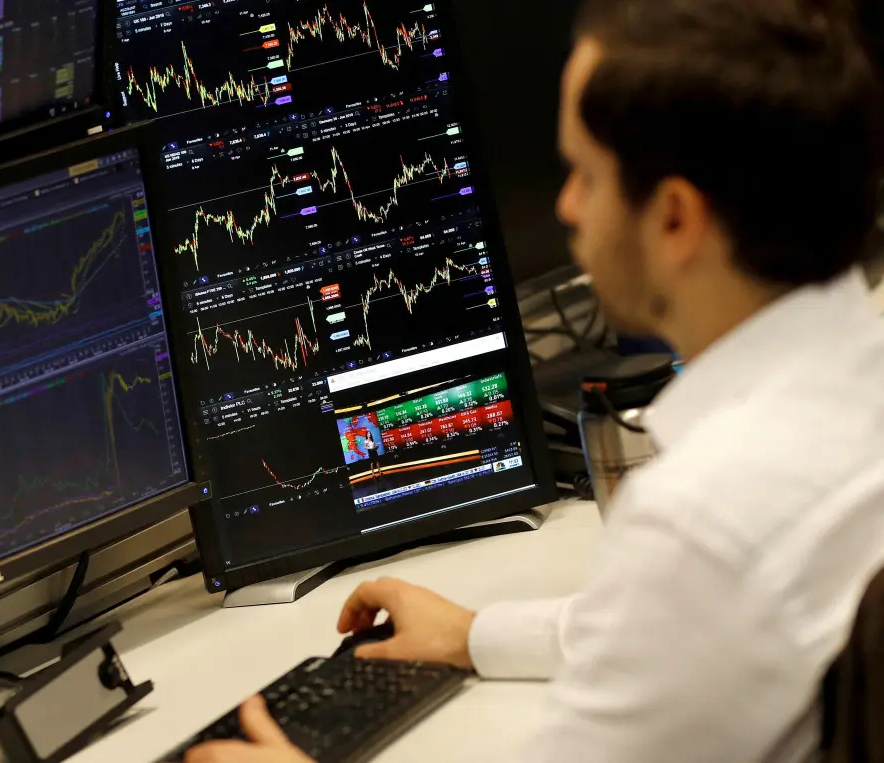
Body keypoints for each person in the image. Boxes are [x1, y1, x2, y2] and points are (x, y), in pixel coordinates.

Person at [184, 0, 884, 761]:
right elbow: (708, 626)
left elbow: (704, 587)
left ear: (677, 218)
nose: (565, 206)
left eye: (587, 174)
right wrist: (478, 634)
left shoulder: (702, 518)